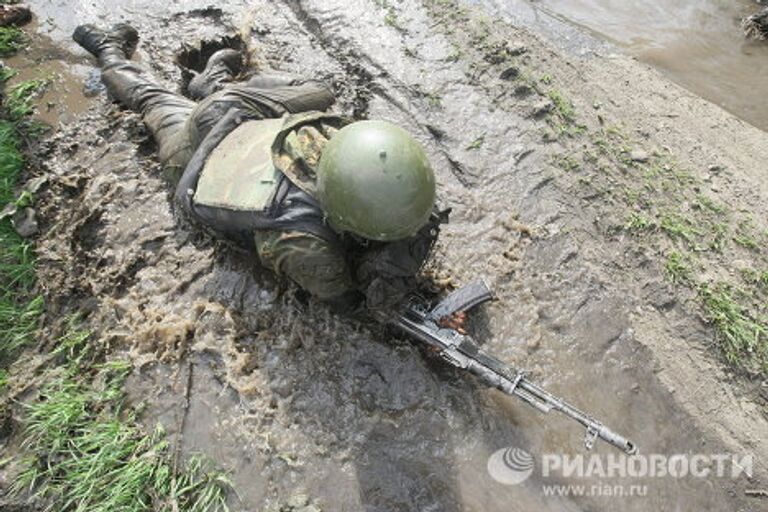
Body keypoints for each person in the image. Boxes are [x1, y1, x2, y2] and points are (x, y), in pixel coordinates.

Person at [72, 24, 445, 318]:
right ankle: (107, 49)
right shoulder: (308, 246)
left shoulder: (350, 143)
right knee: (148, 98)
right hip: (198, 154)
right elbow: (349, 306)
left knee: (318, 92)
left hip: (239, 108)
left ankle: (211, 84)